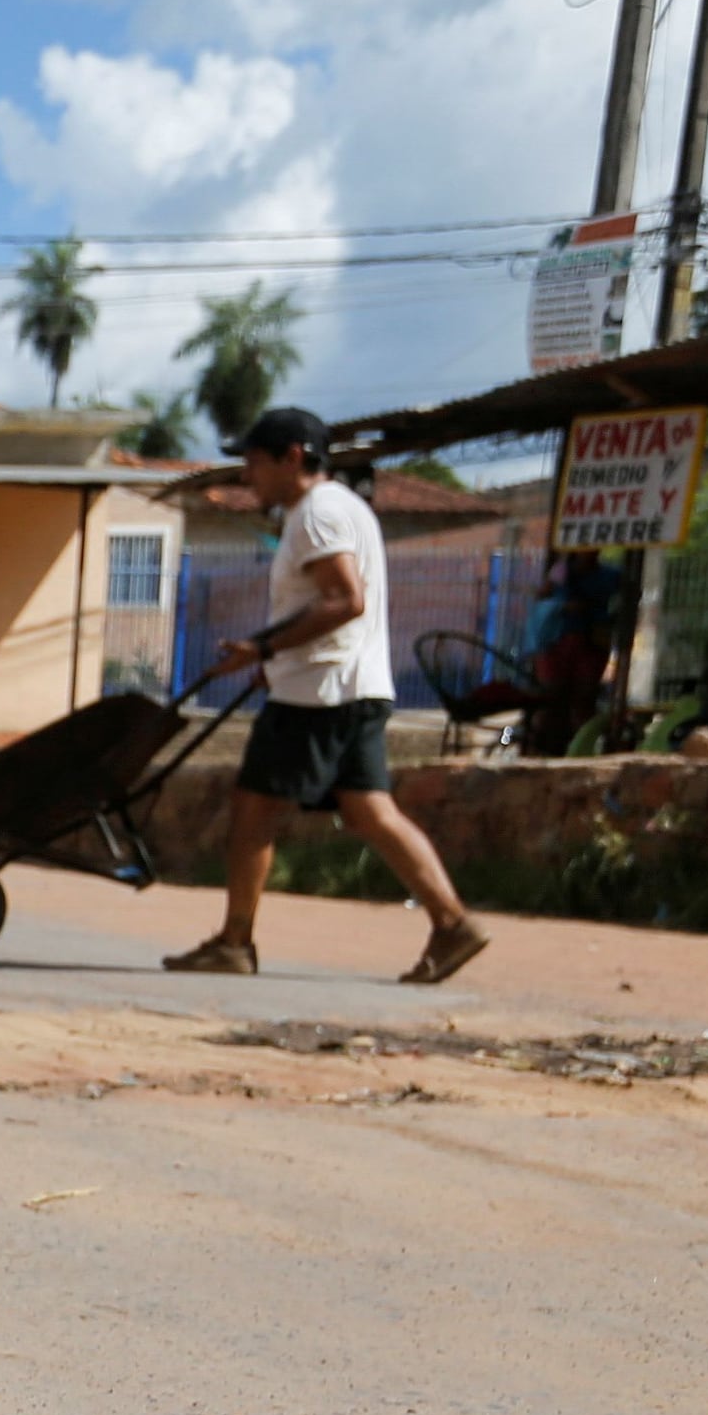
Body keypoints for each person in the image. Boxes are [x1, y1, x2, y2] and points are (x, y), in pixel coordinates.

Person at [168, 407, 487, 986]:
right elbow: (331, 606)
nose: (249, 478)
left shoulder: (316, 515)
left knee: (253, 808)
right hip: (350, 685)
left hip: (322, 692)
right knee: (370, 810)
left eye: (256, 463)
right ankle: (452, 923)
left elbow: (345, 599)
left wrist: (265, 651)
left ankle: (236, 941)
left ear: (293, 457)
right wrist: (275, 655)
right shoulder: (345, 509)